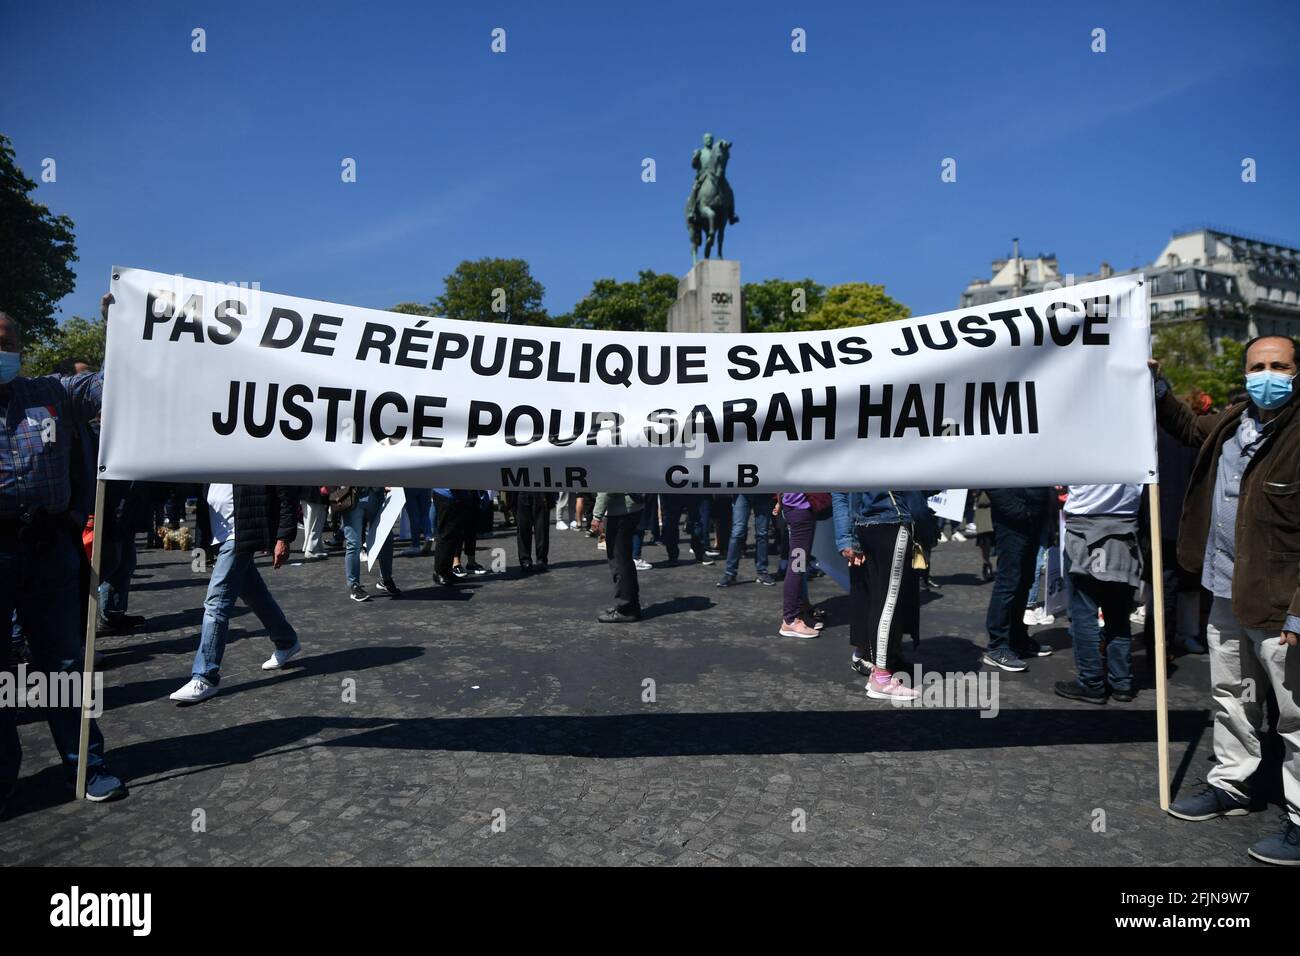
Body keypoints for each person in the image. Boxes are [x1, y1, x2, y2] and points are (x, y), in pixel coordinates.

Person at [1154, 336, 1300, 865]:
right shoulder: (1233, 419)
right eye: (1258, 366)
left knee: (1295, 712)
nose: (1268, 375)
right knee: (1230, 694)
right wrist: (1157, 384)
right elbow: (1188, 428)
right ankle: (1233, 785)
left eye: (1279, 366)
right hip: (1223, 586)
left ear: (1296, 370)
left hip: (1282, 601)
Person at [0, 307, 127, 804]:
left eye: (8, 342)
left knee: (65, 663)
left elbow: (118, 386)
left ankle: (86, 766)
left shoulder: (52, 393)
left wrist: (122, 328)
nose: (2, 352)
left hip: (50, 547)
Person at [169, 483, 303, 704]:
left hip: (240, 535)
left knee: (216, 603)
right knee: (254, 594)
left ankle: (205, 676)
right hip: (219, 537)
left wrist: (284, 537)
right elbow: (197, 497)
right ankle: (286, 641)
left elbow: (286, 492)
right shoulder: (209, 458)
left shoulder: (251, 451)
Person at [1053, 484, 1143, 704]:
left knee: (1084, 614)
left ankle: (1091, 682)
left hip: (1085, 524)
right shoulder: (1138, 448)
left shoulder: (1083, 448)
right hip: (1124, 526)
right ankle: (1121, 682)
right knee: (1119, 615)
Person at [831, 490, 920, 700]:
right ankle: (880, 677)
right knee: (886, 602)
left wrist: (848, 536)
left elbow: (842, 493)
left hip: (869, 523)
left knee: (881, 601)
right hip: (891, 520)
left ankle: (879, 670)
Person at [982, 487, 1055, 672]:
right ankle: (997, 646)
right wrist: (1015, 509)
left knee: (1025, 579)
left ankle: (1017, 637)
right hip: (1014, 516)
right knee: (1009, 581)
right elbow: (991, 479)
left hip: (1033, 513)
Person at [339, 486, 400, 601]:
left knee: (386, 538)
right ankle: (354, 585)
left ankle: (386, 579)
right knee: (354, 543)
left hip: (375, 493)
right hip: (352, 493)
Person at [590, 492, 642, 623]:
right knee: (625, 560)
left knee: (619, 561)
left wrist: (597, 516)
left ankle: (626, 608)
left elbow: (607, 487)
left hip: (621, 511)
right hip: (632, 507)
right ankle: (630, 605)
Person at [777, 493, 820, 638]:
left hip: (798, 510)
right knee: (797, 567)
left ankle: (797, 614)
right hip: (799, 511)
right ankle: (790, 620)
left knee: (799, 567)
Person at [717, 493, 775, 587]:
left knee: (762, 533)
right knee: (737, 532)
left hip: (763, 492)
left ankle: (762, 571)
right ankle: (730, 573)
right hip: (742, 492)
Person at [514, 490, 553, 572]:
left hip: (541, 490)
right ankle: (525, 560)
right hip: (522, 490)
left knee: (541, 529)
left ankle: (541, 560)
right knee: (523, 527)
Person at [299, 484, 330, 560]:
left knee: (309, 522)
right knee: (317, 521)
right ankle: (311, 549)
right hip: (317, 491)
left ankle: (314, 547)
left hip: (306, 489)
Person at [402, 486, 433, 557]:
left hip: (409, 484)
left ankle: (416, 545)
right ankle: (428, 536)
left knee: (414, 516)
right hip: (425, 484)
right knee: (425, 514)